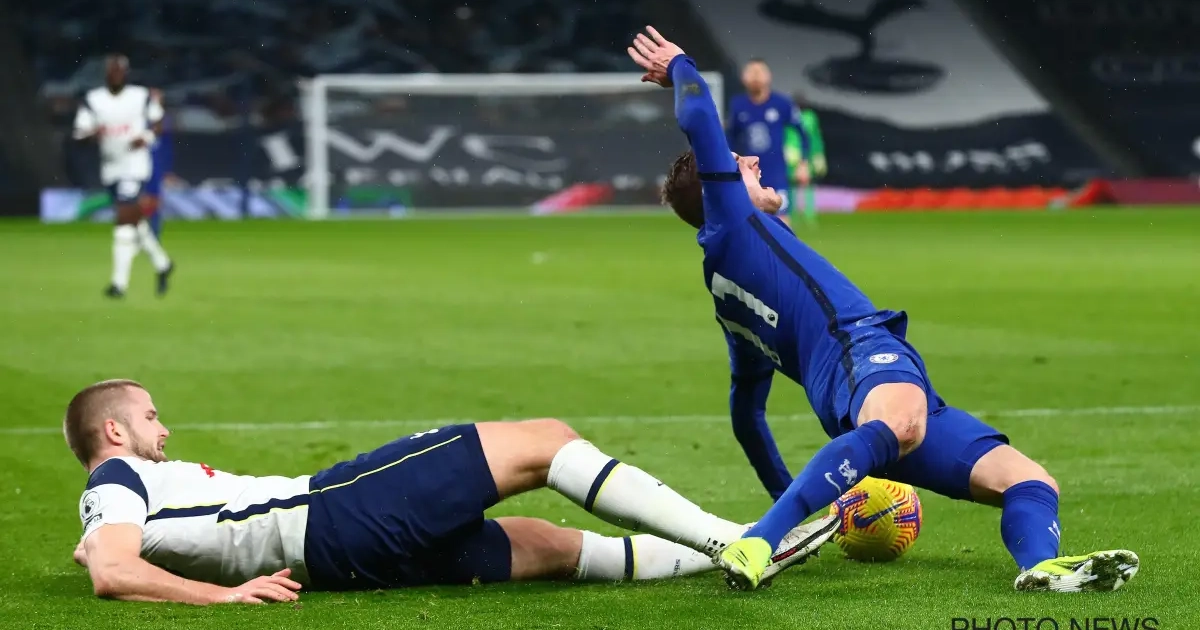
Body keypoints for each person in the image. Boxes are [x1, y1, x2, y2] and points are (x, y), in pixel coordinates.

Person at [626, 26, 1139, 593]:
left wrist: (786, 501)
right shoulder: (734, 225)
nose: (750, 159)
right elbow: (699, 117)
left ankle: (1040, 567)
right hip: (861, 354)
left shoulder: (728, 295)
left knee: (1028, 481)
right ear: (717, 191)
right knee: (902, 424)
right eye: (736, 164)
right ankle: (760, 543)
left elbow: (746, 416)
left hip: (859, 398)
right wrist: (682, 65)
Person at [67, 379, 835, 604]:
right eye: (150, 417)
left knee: (546, 546)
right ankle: (744, 540)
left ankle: (753, 540)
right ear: (113, 430)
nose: (163, 429)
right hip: (334, 510)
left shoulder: (116, 501)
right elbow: (113, 569)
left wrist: (103, 547)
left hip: (336, 561)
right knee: (544, 440)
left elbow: (110, 550)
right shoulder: (116, 475)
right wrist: (223, 597)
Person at [73, 54, 174, 298]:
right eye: (113, 71)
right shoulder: (94, 99)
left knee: (123, 223)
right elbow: (79, 134)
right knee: (135, 222)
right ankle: (163, 264)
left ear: (126, 74)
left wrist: (146, 137)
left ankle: (118, 284)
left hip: (135, 166)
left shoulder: (140, 96)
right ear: (106, 73)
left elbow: (158, 122)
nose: (116, 75)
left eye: (120, 71)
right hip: (111, 168)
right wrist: (92, 135)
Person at [725, 58, 810, 227]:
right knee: (747, 222)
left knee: (781, 221)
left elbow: (802, 133)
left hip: (776, 173)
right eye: (751, 72)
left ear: (768, 76)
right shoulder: (737, 105)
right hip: (748, 174)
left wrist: (803, 163)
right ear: (743, 77)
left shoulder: (782, 103)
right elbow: (729, 138)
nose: (755, 76)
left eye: (759, 72)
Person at [783, 92, 826, 224]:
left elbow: (814, 136)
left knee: (798, 183)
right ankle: (802, 213)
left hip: (796, 153)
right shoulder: (807, 116)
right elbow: (815, 136)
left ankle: (803, 212)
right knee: (799, 183)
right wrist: (818, 153)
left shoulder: (808, 116)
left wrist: (818, 153)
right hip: (798, 153)